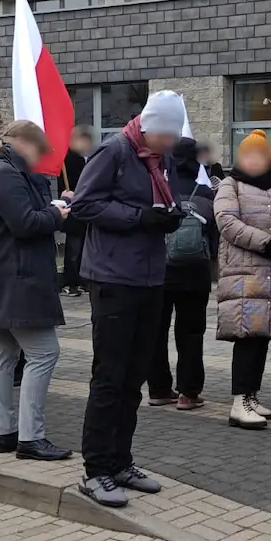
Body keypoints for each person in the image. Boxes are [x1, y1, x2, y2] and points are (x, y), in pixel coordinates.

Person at [72, 90, 185, 507]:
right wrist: (140, 217)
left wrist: (168, 217)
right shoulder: (114, 152)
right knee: (110, 376)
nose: (170, 144)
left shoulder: (161, 159)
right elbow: (84, 206)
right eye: (165, 136)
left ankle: (121, 461)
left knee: (135, 375)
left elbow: (159, 201)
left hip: (151, 276)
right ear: (147, 126)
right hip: (114, 277)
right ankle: (96, 469)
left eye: (174, 137)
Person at [0, 121, 71, 461]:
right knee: (44, 353)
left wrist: (53, 208)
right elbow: (25, 224)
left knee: (2, 356)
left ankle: (6, 433)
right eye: (38, 150)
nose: (40, 158)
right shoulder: (5, 174)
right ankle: (31, 437)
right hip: (16, 281)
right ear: (22, 143)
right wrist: (56, 214)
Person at [215, 130, 271, 429]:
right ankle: (239, 401)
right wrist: (265, 242)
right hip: (244, 273)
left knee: (263, 335)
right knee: (246, 335)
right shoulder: (230, 185)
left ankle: (252, 396)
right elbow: (227, 222)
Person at [150, 137, 217, 410]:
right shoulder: (205, 191)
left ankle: (158, 389)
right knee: (191, 332)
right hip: (195, 273)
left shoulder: (158, 189)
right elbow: (214, 236)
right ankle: (188, 393)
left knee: (156, 331)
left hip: (159, 272)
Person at [57, 126, 92, 297]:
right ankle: (70, 281)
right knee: (73, 249)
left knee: (82, 249)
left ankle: (80, 280)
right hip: (73, 208)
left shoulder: (84, 158)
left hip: (83, 209)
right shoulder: (69, 159)